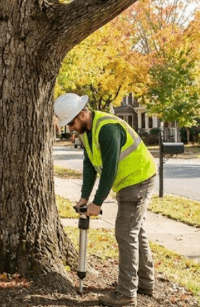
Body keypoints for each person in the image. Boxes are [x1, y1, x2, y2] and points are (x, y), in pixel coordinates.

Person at [53, 93, 157, 307]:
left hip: (138, 178)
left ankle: (126, 294)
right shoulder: (87, 132)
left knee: (125, 233)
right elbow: (90, 164)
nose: (70, 128)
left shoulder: (107, 129)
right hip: (129, 180)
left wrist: (97, 202)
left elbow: (110, 169)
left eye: (71, 123)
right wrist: (84, 197)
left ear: (83, 114)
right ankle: (145, 283)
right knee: (136, 231)